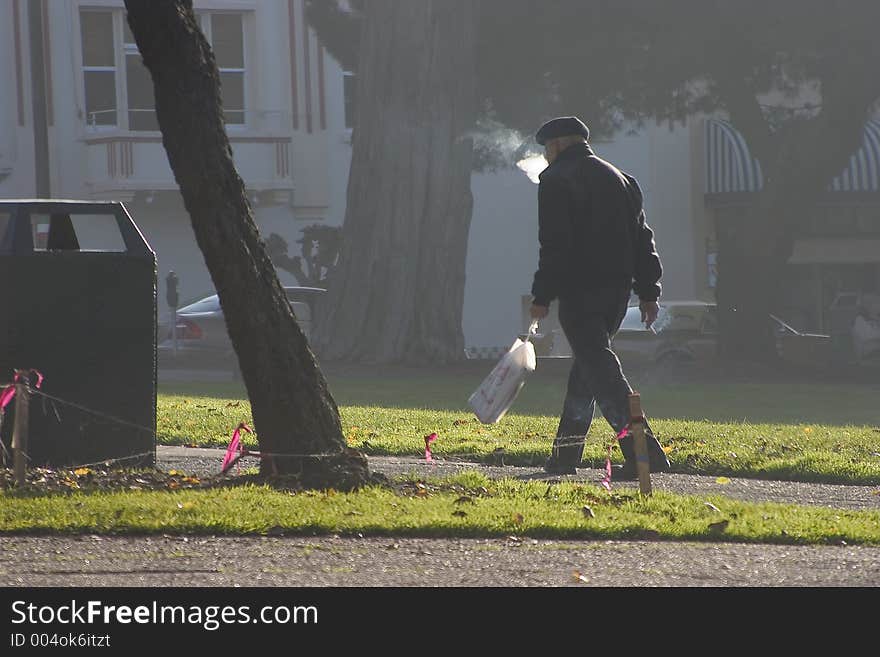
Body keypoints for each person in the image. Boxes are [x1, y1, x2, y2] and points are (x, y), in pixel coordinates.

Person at [529, 116, 671, 478]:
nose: (546, 156)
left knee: (602, 372)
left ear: (558, 144)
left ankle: (644, 453)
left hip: (580, 292)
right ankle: (564, 456)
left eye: (547, 148)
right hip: (616, 295)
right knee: (588, 370)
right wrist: (649, 291)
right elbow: (643, 240)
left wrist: (542, 295)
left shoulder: (556, 180)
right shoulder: (622, 179)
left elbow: (555, 245)